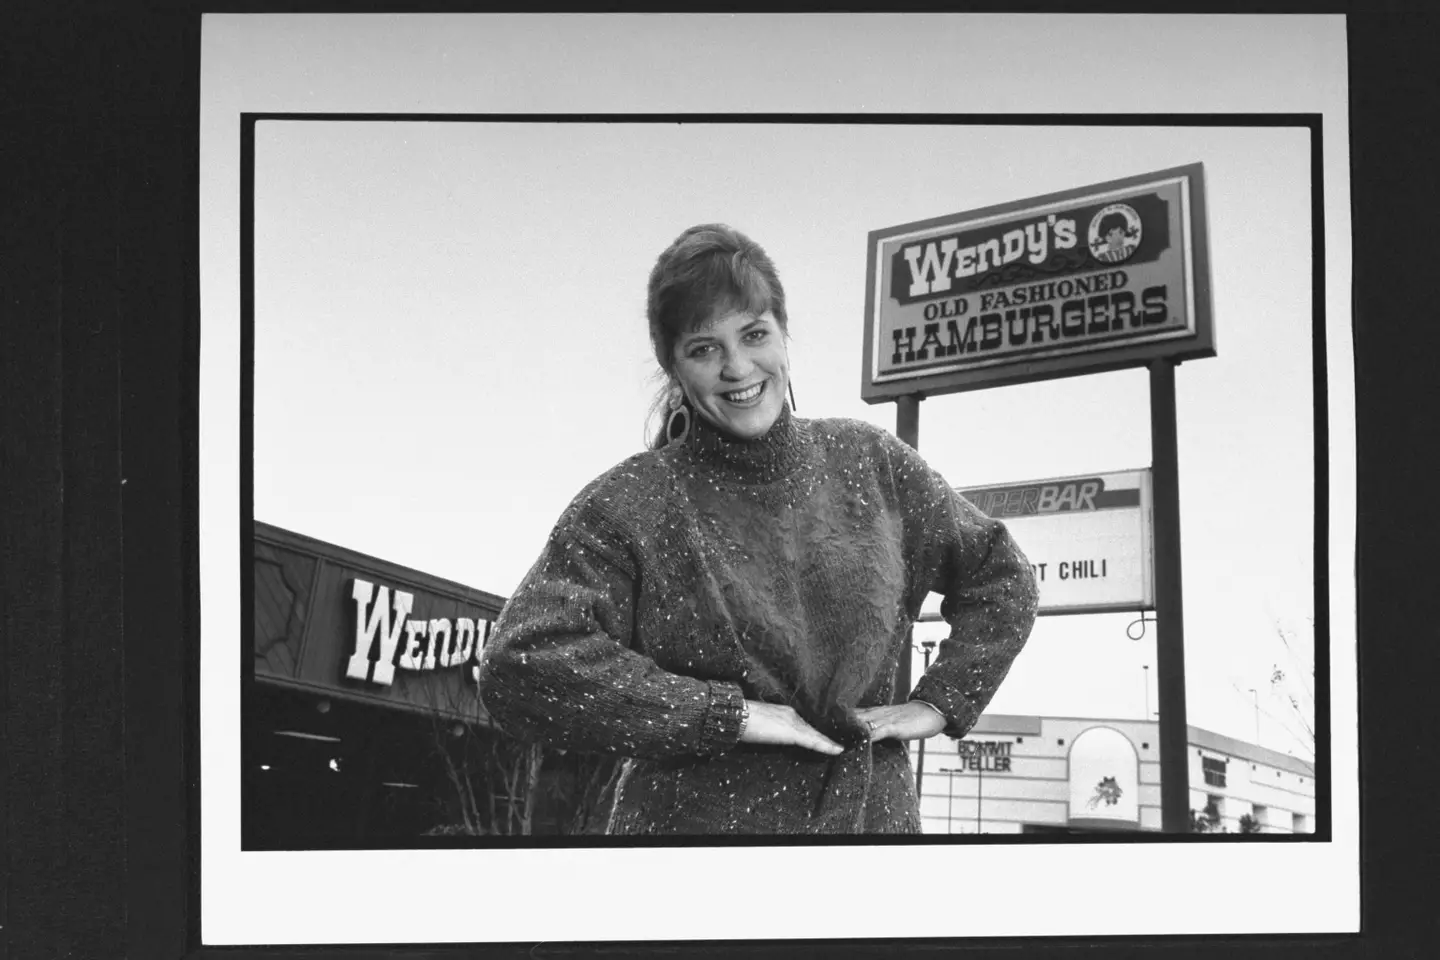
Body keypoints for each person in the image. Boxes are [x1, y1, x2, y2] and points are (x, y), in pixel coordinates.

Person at [476, 223, 1038, 834]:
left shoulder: (870, 463)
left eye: (753, 334)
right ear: (673, 366)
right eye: (703, 348)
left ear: (783, 335)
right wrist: (731, 715)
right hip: (689, 872)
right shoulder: (631, 502)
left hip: (870, 852)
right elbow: (519, 662)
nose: (737, 367)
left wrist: (941, 700)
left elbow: (1002, 577)